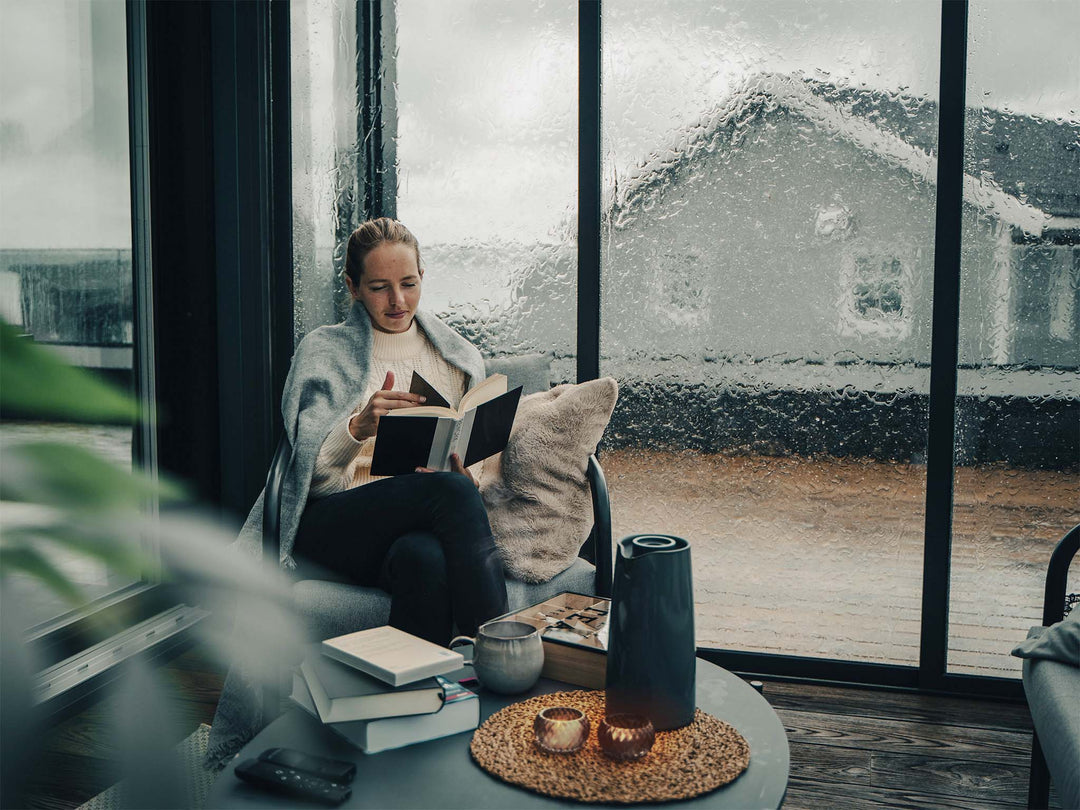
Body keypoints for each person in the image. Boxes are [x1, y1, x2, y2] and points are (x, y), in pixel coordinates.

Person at [282, 217, 508, 644]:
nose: (397, 300)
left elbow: (476, 461)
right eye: (378, 287)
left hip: (418, 523)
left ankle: (423, 697)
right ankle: (502, 648)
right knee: (451, 494)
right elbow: (303, 483)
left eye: (408, 283)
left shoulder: (457, 356)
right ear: (352, 287)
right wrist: (356, 428)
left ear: (423, 276)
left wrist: (468, 477)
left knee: (424, 558)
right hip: (334, 522)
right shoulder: (323, 352)